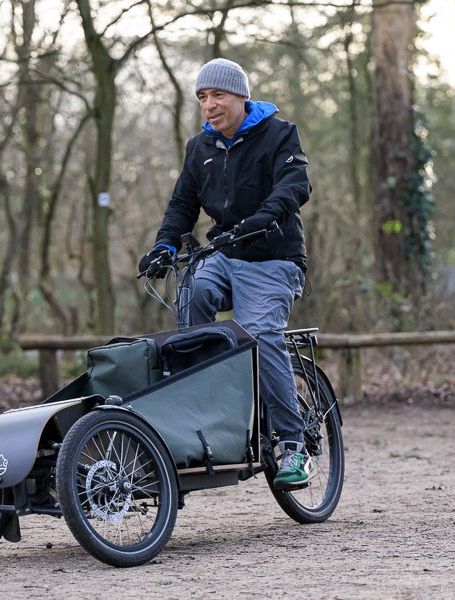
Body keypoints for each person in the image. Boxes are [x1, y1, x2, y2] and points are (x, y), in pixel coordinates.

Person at [138, 58, 312, 490]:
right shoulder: (200, 147)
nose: (209, 104)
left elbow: (296, 184)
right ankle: (206, 415)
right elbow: (183, 204)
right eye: (202, 97)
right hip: (223, 252)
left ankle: (293, 445)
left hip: (272, 257)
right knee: (192, 298)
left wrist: (267, 217)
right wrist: (165, 245)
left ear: (240, 97)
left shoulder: (278, 133)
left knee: (259, 331)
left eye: (217, 95)